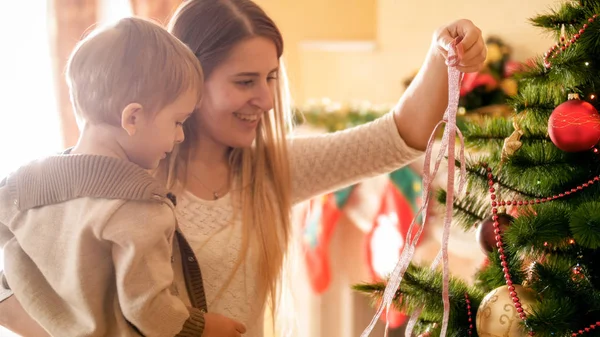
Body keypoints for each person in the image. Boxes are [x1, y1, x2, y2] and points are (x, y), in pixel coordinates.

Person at [0, 0, 487, 336]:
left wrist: (442, 54)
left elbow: (396, 136)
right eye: (245, 81)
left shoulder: (272, 171)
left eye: (272, 77)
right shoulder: (115, 181)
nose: (267, 99)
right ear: (188, 81)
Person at [0, 16, 244, 337]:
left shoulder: (21, 186)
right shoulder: (137, 209)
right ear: (133, 117)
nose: (181, 136)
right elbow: (148, 309)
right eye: (177, 121)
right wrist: (203, 326)